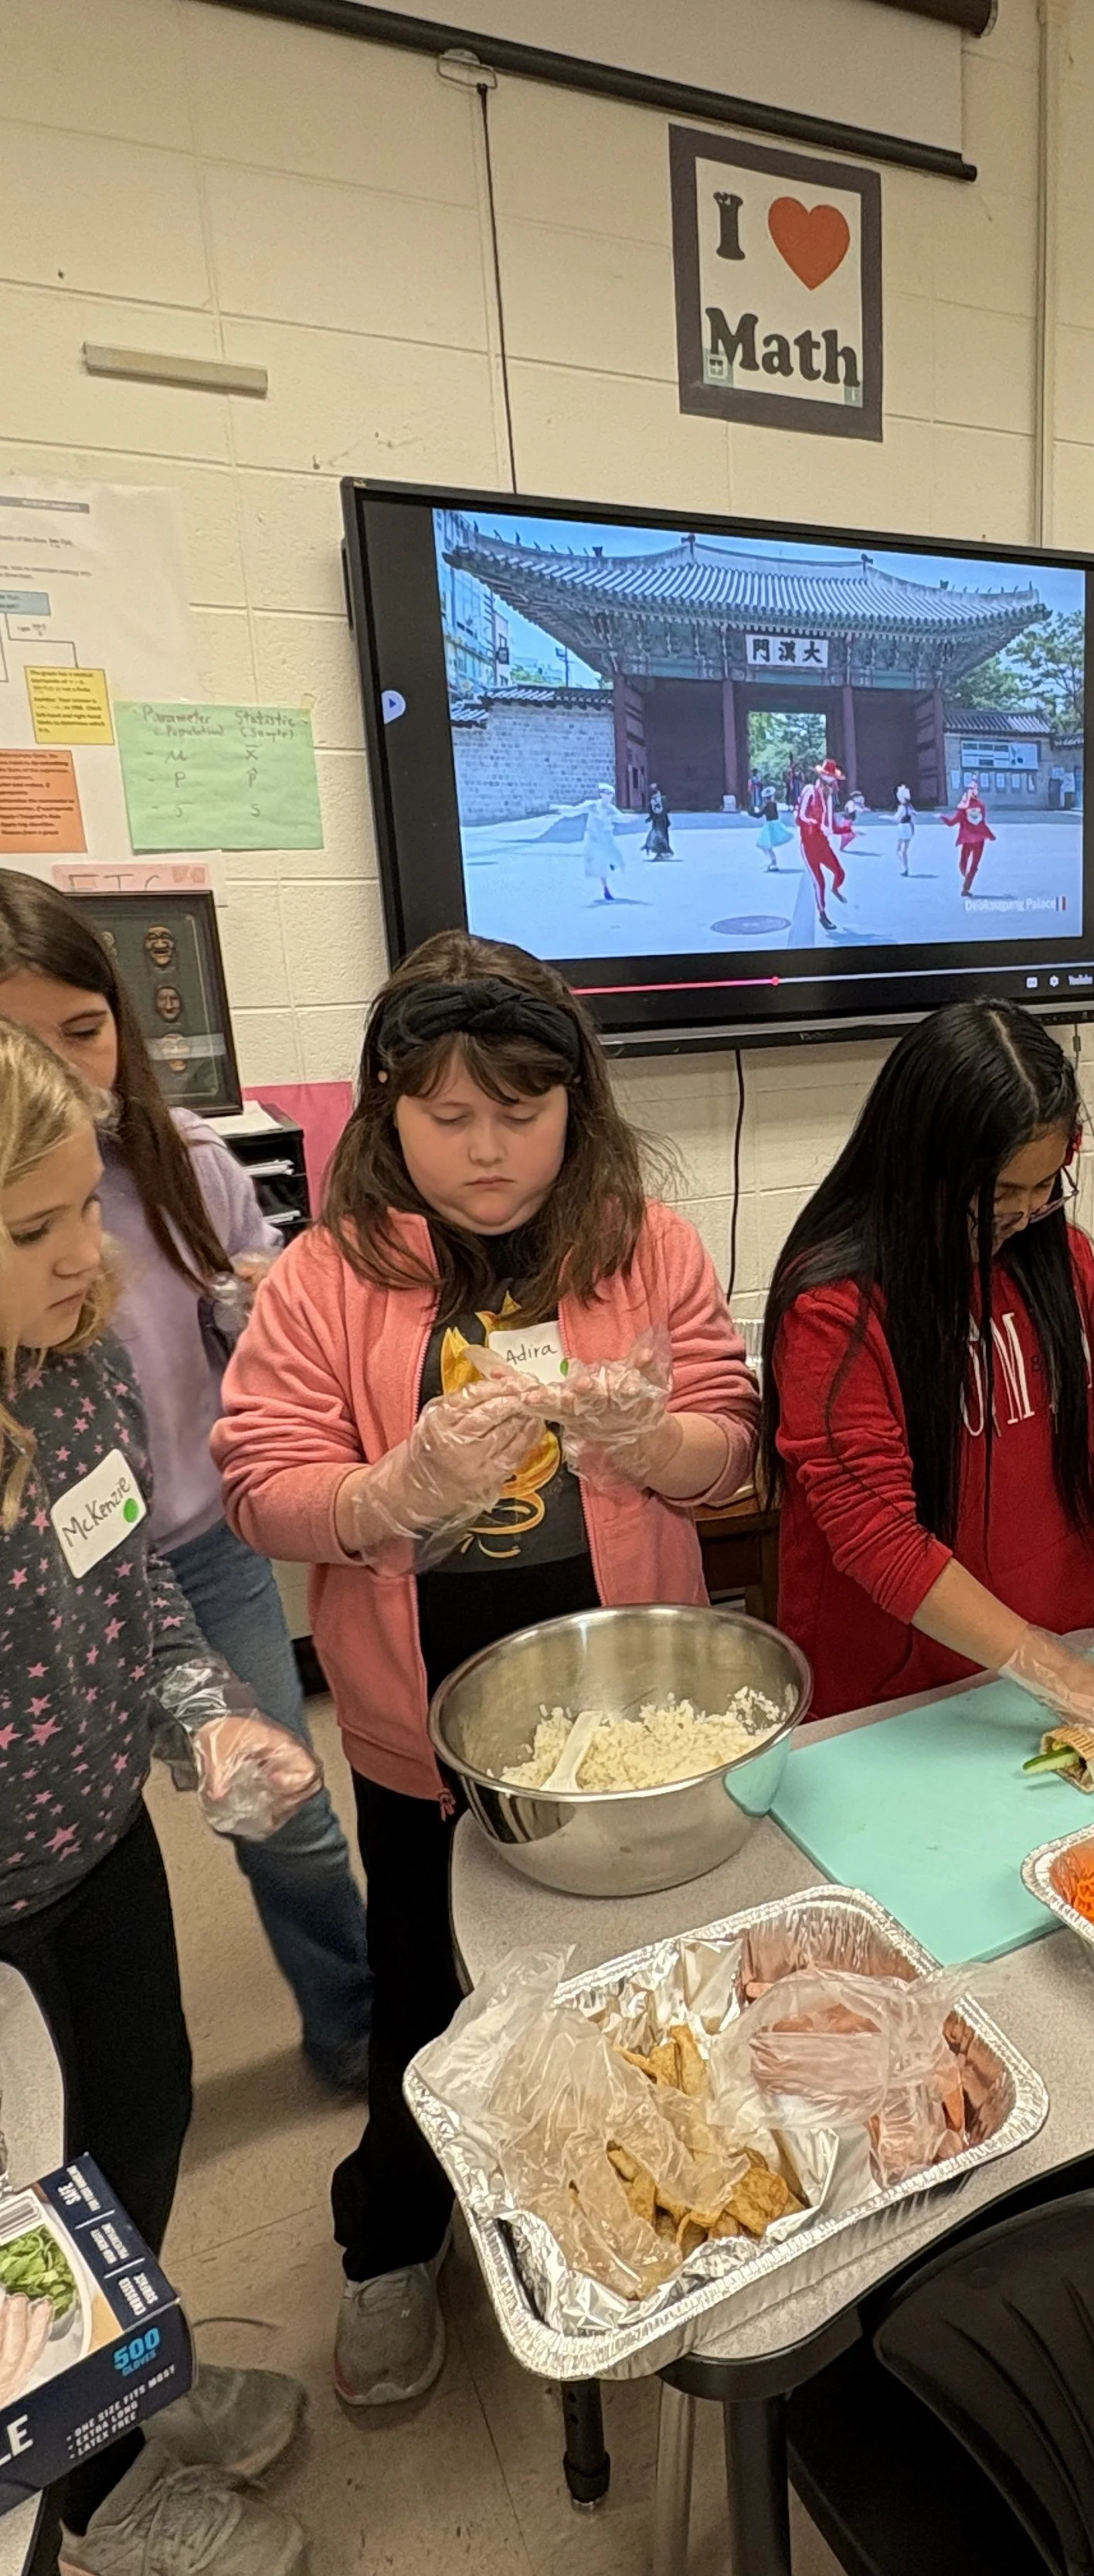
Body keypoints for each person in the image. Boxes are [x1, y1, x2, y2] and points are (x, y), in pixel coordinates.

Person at [212, 934, 759, 2411]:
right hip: (422, 1716)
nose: (486, 1149)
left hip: (629, 1699)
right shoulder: (330, 1276)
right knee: (423, 1984)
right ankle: (392, 2236)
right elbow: (260, 1480)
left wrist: (650, 1439)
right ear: (386, 1113)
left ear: (577, 1103)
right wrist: (387, 1490)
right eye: (447, 1115)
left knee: (643, 1971)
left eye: (520, 1110)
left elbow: (729, 1438)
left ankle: (647, 2190)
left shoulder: (643, 1242)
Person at [0, 1023, 320, 2576]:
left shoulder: (74, 1370)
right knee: (19, 2224)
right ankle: (95, 2500)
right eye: (37, 1227)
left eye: (84, 1209)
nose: (91, 1254)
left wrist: (211, 1721)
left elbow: (136, 1587)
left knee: (138, 2122)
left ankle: (120, 2386)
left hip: (99, 1848)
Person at [0, 872, 372, 2093]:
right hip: (48, 1653)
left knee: (284, 1816)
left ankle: (355, 2022)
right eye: (35, 1235)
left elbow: (256, 1324)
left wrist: (261, 1309)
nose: (80, 1262)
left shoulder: (177, 1170)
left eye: (85, 1029)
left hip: (183, 1555)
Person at [765, 999, 1094, 1733]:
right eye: (1001, 1194)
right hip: (889, 1701)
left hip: (1042, 1657)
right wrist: (1061, 1673)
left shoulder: (1056, 1261)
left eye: (1044, 1187)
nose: (1027, 1212)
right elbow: (881, 1540)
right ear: (918, 1166)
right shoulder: (836, 1309)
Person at [795, 759, 849, 932]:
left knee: (840, 872)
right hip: (809, 844)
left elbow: (831, 827)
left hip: (823, 844)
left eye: (833, 777)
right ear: (821, 775)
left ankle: (836, 889)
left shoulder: (829, 796)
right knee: (819, 882)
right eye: (828, 776)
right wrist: (816, 825)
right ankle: (823, 914)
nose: (831, 780)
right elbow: (801, 816)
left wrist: (847, 829)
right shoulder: (809, 790)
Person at [940, 782, 996, 897]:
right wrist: (990, 835)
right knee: (974, 865)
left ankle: (965, 875)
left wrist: (942, 817)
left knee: (963, 861)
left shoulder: (962, 809)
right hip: (980, 840)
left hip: (967, 840)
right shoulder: (981, 807)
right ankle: (966, 887)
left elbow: (951, 823)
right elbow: (982, 824)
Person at [579, 781, 623, 903]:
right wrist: (562, 810)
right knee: (600, 865)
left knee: (616, 858)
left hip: (607, 839)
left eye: (611, 794)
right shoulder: (592, 806)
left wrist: (632, 818)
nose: (609, 796)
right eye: (606, 794)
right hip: (594, 840)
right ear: (602, 795)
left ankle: (612, 863)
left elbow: (621, 817)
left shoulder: (611, 809)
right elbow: (576, 810)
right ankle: (606, 889)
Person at [756, 789, 793, 872]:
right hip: (775, 824)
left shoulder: (766, 806)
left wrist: (750, 813)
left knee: (765, 845)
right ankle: (773, 862)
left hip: (770, 826)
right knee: (767, 845)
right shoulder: (774, 804)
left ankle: (773, 862)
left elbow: (759, 815)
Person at [644, 786, 674, 862]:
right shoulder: (659, 800)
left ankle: (663, 851)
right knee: (659, 836)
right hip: (659, 821)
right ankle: (663, 851)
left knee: (660, 836)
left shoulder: (660, 800)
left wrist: (651, 817)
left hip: (661, 822)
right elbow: (666, 810)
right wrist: (650, 818)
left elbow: (665, 810)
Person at [892, 784, 916, 876]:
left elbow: (896, 818)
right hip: (909, 827)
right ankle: (906, 868)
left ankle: (905, 867)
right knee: (904, 850)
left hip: (902, 828)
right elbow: (914, 816)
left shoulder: (902, 807)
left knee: (898, 850)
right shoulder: (910, 807)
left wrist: (885, 817)